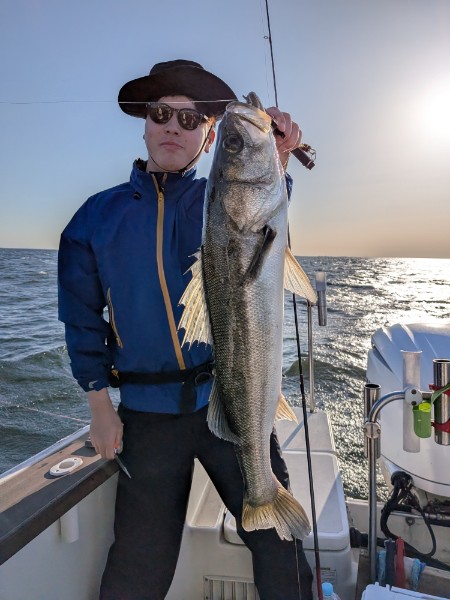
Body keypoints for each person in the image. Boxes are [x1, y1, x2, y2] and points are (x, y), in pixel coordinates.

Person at [58, 59, 313, 600]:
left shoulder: (215, 199)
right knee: (138, 565)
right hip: (146, 417)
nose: (173, 127)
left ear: (209, 137)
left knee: (280, 553)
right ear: (144, 125)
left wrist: (277, 154)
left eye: (191, 119)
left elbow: (258, 211)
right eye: (161, 114)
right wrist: (100, 406)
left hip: (229, 397)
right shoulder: (94, 219)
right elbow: (81, 319)